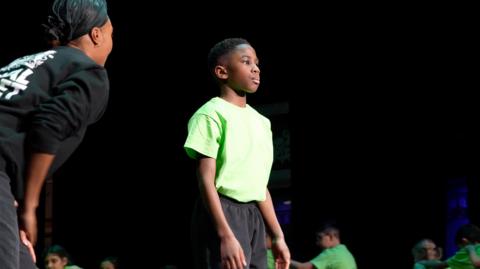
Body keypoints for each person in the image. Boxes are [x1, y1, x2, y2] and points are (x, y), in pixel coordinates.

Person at [0, 0, 113, 268]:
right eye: (111, 33)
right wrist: (29, 206)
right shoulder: (89, 72)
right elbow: (49, 125)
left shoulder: (22, 62)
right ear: (96, 35)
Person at [184, 37, 290, 269]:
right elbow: (205, 179)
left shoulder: (262, 122)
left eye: (256, 62)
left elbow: (259, 186)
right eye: (246, 61)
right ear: (222, 72)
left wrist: (278, 236)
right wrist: (225, 235)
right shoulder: (211, 113)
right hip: (222, 211)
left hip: (254, 216)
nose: (255, 68)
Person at [290, 223, 357, 269]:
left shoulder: (331, 253)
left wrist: (285, 259)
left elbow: (302, 267)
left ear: (330, 237)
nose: (317, 243)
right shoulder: (345, 251)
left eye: (320, 238)